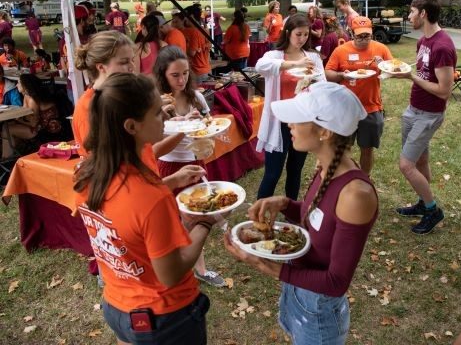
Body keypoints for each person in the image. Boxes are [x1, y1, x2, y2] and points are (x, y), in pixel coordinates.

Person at [224, 82, 378, 345]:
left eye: (297, 119)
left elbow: (336, 282)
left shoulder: (355, 195)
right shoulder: (325, 166)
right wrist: (285, 204)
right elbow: (320, 219)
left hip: (318, 308)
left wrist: (266, 266)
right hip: (298, 288)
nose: (289, 125)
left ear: (325, 132)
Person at [73, 73, 212, 345]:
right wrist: (205, 223)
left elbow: (123, 220)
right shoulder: (151, 197)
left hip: (117, 306)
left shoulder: (86, 175)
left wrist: (172, 180)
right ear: (131, 126)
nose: (165, 116)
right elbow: (171, 274)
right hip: (165, 317)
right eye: (157, 112)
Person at [153, 46, 225, 287]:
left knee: (196, 215)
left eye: (185, 73)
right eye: (175, 75)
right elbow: (152, 145)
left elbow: (209, 128)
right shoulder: (156, 104)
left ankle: (199, 269)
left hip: (195, 162)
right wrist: (180, 125)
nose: (182, 79)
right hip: (168, 166)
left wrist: (204, 130)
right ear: (162, 74)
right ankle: (171, 267)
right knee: (170, 221)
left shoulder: (197, 97)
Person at [393, 0, 457, 235]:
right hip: (413, 109)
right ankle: (423, 201)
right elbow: (424, 73)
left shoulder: (442, 46)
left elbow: (444, 91)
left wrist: (410, 76)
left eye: (411, 12)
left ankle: (432, 210)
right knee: (420, 161)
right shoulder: (423, 42)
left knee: (406, 165)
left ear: (423, 14)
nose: (409, 16)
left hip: (429, 114)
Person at [255, 14, 325, 200]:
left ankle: (291, 213)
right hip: (278, 122)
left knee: (295, 170)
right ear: (287, 33)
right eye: (298, 34)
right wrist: (293, 64)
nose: (302, 39)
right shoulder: (274, 55)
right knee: (273, 173)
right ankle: (258, 215)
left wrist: (314, 81)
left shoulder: (312, 57)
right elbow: (260, 66)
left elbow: (322, 85)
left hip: (302, 121)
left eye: (305, 35)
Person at [325, 16, 392, 176]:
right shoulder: (341, 50)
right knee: (341, 148)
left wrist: (383, 64)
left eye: (367, 35)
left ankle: (364, 178)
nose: (363, 39)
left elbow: (393, 70)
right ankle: (341, 180)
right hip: (346, 109)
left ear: (371, 33)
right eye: (359, 35)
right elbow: (328, 73)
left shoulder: (381, 49)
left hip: (371, 108)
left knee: (367, 149)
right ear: (351, 32)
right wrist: (342, 75)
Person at [2, 73, 72, 158]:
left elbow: (33, 122)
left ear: (25, 85)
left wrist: (17, 119)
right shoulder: (27, 96)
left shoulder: (32, 99)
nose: (16, 85)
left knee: (6, 130)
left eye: (19, 83)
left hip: (44, 129)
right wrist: (17, 119)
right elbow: (25, 115)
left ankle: (8, 158)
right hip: (38, 126)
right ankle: (9, 158)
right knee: (7, 128)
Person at [181, 6, 212, 82]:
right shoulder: (204, 29)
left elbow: (192, 52)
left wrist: (182, 47)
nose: (183, 19)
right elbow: (209, 46)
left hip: (197, 72)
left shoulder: (192, 31)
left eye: (184, 17)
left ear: (190, 16)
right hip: (206, 69)